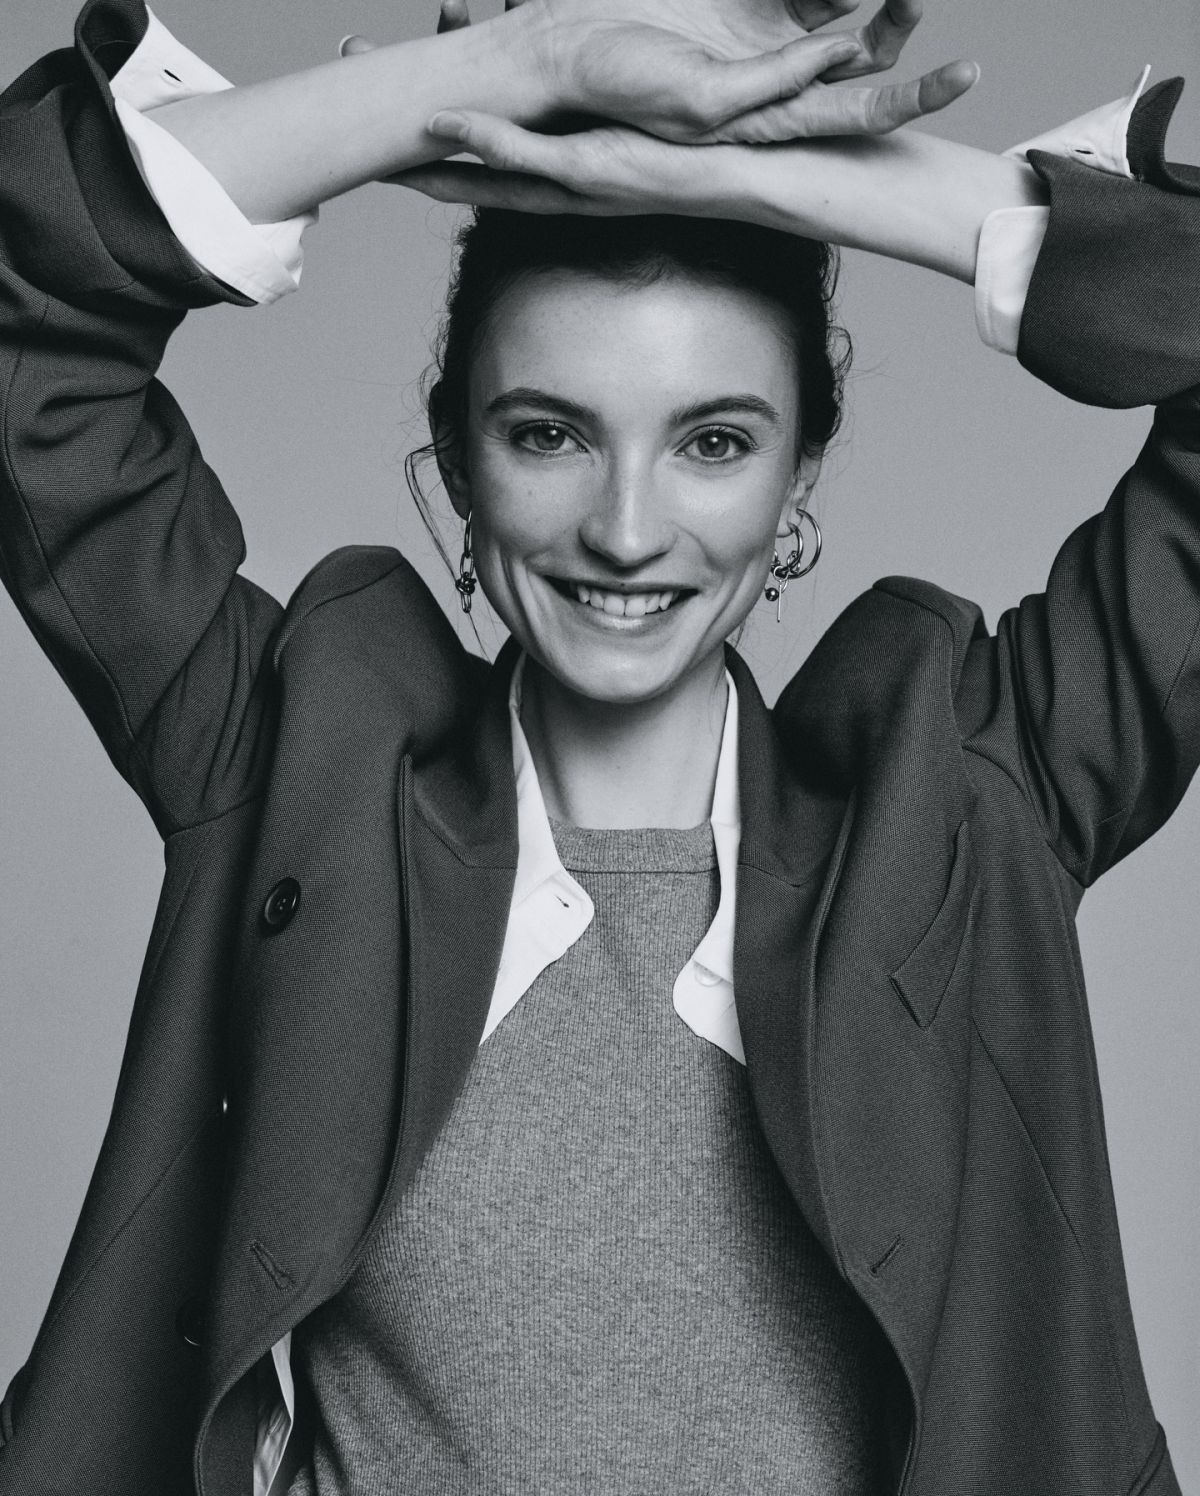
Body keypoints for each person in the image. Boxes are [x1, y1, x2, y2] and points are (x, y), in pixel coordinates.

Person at [0, 0, 1196, 1491]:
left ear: (798, 484)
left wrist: (767, 172)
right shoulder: (288, 759)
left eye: (714, 441)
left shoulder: (970, 799)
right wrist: (515, 72)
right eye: (550, 434)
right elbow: (28, 294)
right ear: (458, 463)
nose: (627, 531)